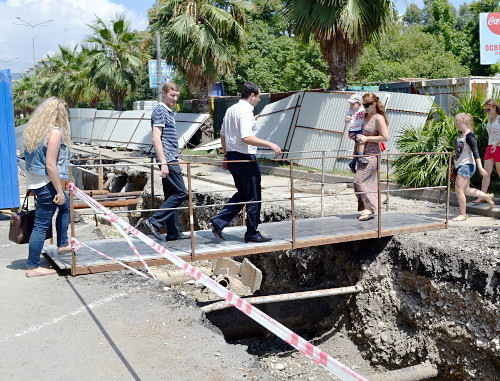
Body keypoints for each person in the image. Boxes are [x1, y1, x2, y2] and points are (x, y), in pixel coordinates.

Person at [210, 82, 282, 243]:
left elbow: (222, 135)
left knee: (243, 193)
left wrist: (226, 155)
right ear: (252, 95)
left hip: (234, 157)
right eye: (259, 96)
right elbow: (246, 137)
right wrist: (270, 144)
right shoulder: (245, 111)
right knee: (253, 196)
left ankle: (219, 221)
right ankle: (252, 232)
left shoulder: (231, 110)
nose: (259, 100)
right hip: (244, 157)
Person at [23, 97, 72, 277]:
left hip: (36, 183)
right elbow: (51, 165)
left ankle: (63, 244)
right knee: (41, 225)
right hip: (47, 184)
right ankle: (33, 266)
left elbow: (29, 161)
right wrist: (59, 190)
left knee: (65, 206)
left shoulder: (34, 132)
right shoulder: (54, 132)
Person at [141, 82, 189, 241]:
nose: (175, 98)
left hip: (171, 157)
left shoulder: (167, 112)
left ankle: (173, 232)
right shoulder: (160, 111)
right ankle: (154, 222)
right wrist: (164, 162)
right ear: (163, 93)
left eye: (177, 96)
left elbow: (168, 139)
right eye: (172, 95)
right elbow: (156, 138)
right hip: (167, 159)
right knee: (181, 192)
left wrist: (176, 157)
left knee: (171, 195)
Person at [352, 93, 389, 221]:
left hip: (372, 154)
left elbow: (385, 137)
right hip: (361, 153)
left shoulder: (378, 118)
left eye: (367, 105)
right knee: (364, 182)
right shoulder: (364, 116)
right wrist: (354, 157)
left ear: (374, 104)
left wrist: (367, 138)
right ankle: (366, 208)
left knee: (359, 180)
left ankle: (370, 208)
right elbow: (355, 131)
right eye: (364, 104)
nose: (365, 107)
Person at [452, 113, 494, 221]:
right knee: (465, 190)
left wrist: (480, 167)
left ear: (465, 122)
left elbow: (476, 152)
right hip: (461, 164)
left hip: (467, 165)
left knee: (458, 189)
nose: (456, 124)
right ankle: (486, 196)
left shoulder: (470, 136)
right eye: (456, 122)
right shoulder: (460, 135)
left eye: (458, 122)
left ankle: (463, 214)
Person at [473, 98, 500, 204]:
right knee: (485, 173)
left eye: (488, 110)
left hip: (498, 147)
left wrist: (496, 143)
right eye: (485, 110)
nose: (487, 112)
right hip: (490, 147)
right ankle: (482, 196)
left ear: (494, 107)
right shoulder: (489, 119)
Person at [346, 94, 367, 173]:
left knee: (356, 146)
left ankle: (353, 162)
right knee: (361, 140)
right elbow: (346, 120)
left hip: (360, 129)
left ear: (359, 104)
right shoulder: (350, 112)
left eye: (353, 104)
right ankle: (361, 156)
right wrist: (347, 119)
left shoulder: (362, 110)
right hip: (353, 130)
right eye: (350, 104)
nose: (351, 106)